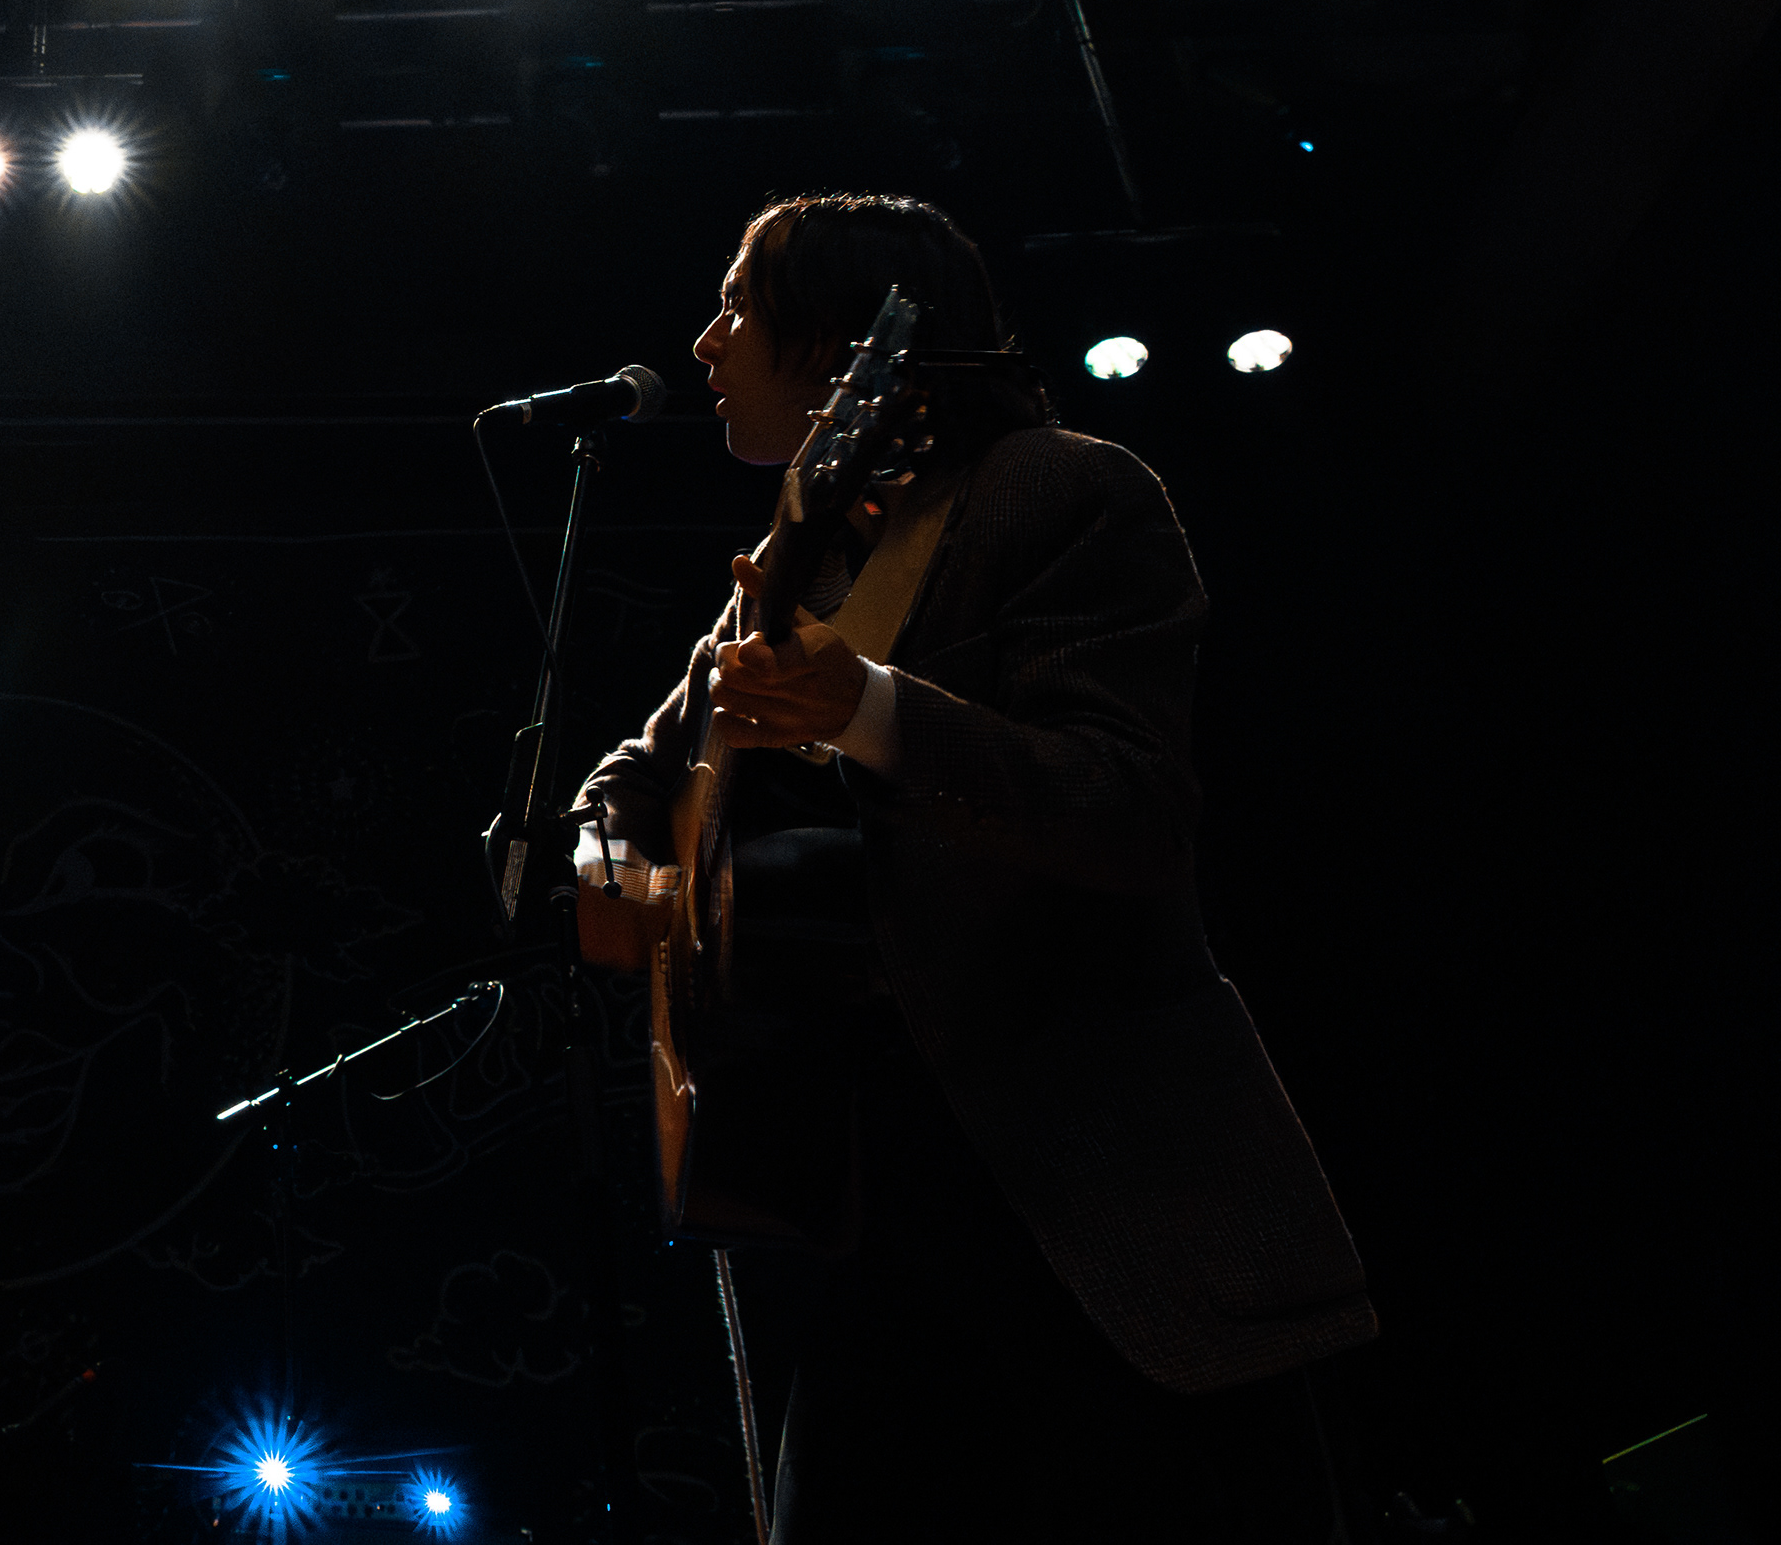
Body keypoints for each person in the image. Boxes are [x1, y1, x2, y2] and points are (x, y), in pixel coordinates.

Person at [574, 195, 1371, 1544]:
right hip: (869, 1216)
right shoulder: (784, 576)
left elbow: (1129, 809)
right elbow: (634, 775)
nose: (705, 343)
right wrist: (613, 866)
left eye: (739, 306)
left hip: (1093, 1197)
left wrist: (871, 709)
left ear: (845, 342)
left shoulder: (1059, 490)